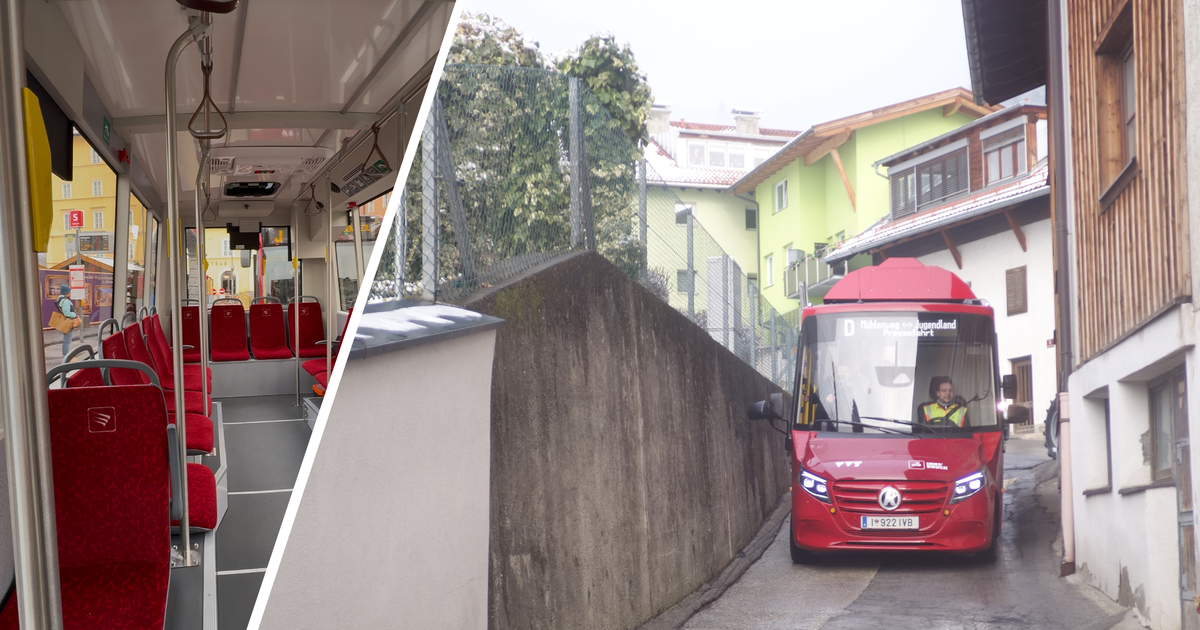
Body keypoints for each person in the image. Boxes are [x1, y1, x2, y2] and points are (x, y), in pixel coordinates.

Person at [56, 284, 79, 362]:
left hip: (65, 322)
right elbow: (66, 313)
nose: (70, 293)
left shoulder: (61, 299)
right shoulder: (65, 301)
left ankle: (66, 355)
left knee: (66, 339)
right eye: (69, 292)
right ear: (66, 292)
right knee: (67, 340)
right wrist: (74, 314)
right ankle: (66, 357)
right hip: (68, 322)